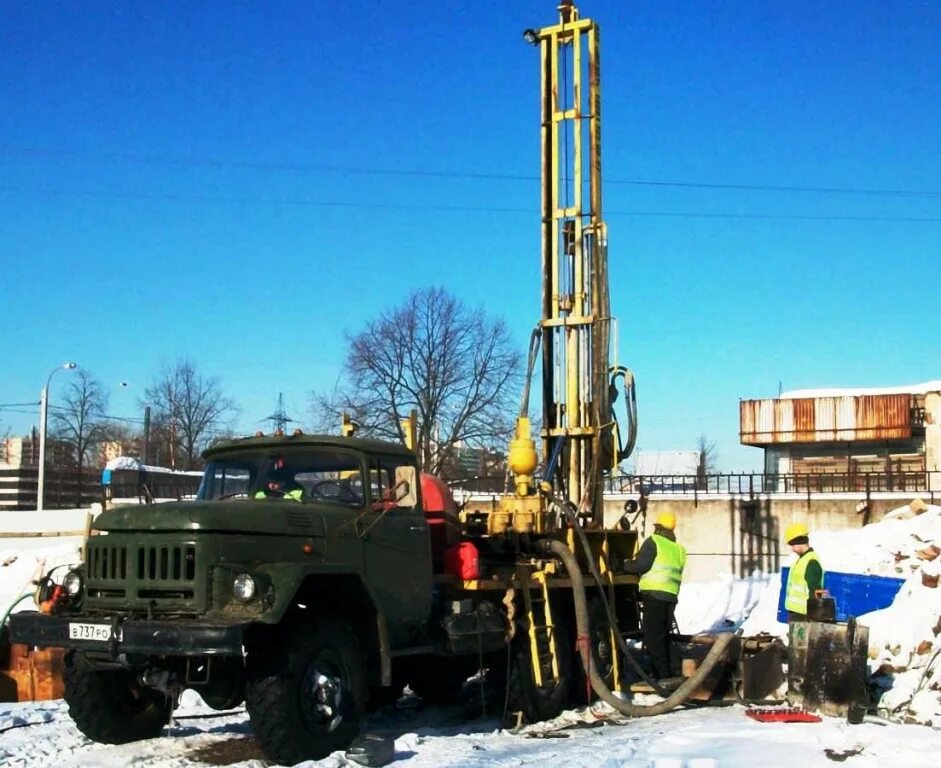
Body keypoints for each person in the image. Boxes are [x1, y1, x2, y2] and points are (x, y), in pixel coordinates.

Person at [623, 510, 687, 680]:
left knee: (653, 639)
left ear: (658, 527)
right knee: (664, 636)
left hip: (654, 595)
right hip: (670, 596)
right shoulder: (679, 549)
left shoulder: (654, 542)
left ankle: (662, 677)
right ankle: (672, 671)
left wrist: (625, 565)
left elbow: (641, 566)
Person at [783, 521, 824, 622]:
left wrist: (812, 618)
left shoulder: (811, 562)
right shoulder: (802, 559)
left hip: (804, 617)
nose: (792, 549)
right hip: (797, 614)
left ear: (799, 542)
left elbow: (814, 590)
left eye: (793, 546)